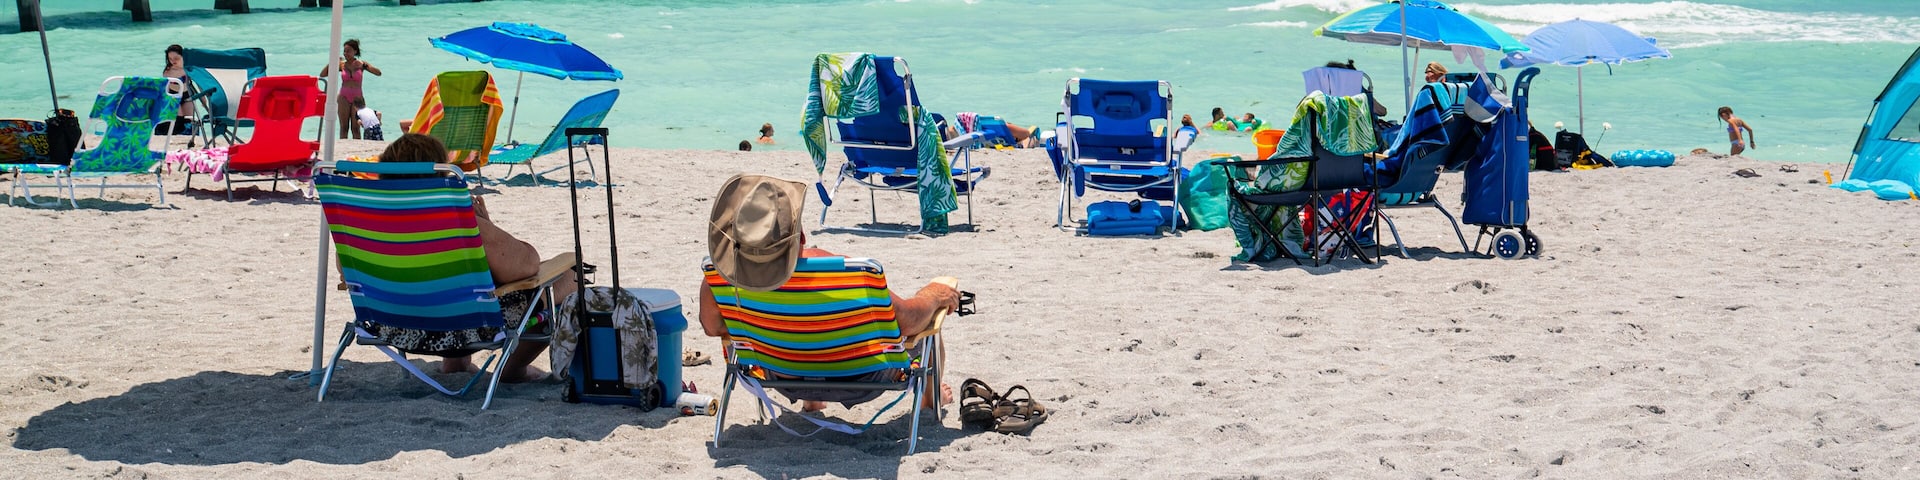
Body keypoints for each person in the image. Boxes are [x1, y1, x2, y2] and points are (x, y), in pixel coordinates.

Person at [697, 174, 961, 412]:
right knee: (928, 326)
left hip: (778, 375)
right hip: (863, 378)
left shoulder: (720, 279)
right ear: (799, 237)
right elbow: (906, 322)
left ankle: (811, 399)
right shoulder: (848, 272)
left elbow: (712, 327)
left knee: (795, 326)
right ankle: (930, 399)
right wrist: (932, 296)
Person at [364, 133, 576, 382]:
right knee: (572, 274)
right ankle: (513, 370)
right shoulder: (457, 220)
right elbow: (526, 267)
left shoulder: (367, 222)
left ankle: (456, 365)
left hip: (394, 325)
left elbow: (348, 272)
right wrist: (486, 225)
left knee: (452, 281)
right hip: (465, 330)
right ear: (437, 172)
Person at [320, 39, 382, 140]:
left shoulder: (361, 64)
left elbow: (378, 73)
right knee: (344, 127)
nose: (345, 53)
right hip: (343, 97)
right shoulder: (341, 65)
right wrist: (333, 61)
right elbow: (323, 74)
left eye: (348, 51)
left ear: (355, 51)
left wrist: (364, 66)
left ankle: (357, 152)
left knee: (355, 128)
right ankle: (343, 150)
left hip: (357, 98)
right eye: (344, 51)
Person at [160, 44, 195, 135]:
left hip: (187, 94)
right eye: (170, 59)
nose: (173, 61)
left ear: (182, 56)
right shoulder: (168, 71)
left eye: (176, 58)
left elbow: (199, 84)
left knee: (190, 120)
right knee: (178, 119)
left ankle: (189, 140)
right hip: (174, 95)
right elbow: (166, 88)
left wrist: (204, 102)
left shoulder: (188, 68)